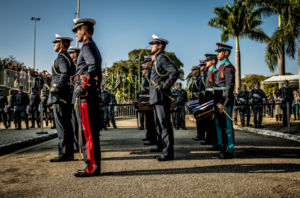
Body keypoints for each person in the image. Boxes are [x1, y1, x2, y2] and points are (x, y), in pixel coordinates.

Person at [73, 18, 102, 177]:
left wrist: (82, 85)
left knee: (88, 132)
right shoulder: (92, 46)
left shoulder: (86, 47)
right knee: (89, 132)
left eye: (77, 30)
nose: (76, 34)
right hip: (90, 94)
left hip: (86, 95)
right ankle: (91, 165)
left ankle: (91, 167)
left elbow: (93, 67)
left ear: (84, 30)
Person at [149, 35, 179, 161]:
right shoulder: (157, 59)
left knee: (164, 124)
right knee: (159, 124)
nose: (151, 46)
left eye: (154, 44)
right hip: (156, 96)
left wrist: (166, 85)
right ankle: (164, 149)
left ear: (160, 46)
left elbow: (175, 72)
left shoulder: (162, 59)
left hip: (161, 96)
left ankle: (168, 152)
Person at [48, 34, 76, 162]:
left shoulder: (61, 58)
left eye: (56, 42)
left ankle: (65, 153)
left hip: (60, 96)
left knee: (62, 126)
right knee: (67, 125)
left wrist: (57, 88)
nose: (54, 44)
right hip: (66, 95)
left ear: (61, 44)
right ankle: (68, 152)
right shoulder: (68, 58)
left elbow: (64, 74)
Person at [214, 43, 236, 159]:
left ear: (226, 53)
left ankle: (229, 149)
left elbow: (229, 86)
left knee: (227, 126)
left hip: (224, 100)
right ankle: (224, 147)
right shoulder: (221, 67)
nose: (217, 53)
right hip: (219, 99)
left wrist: (225, 102)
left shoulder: (228, 67)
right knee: (222, 126)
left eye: (220, 51)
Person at [202, 54, 220, 151]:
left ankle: (217, 143)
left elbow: (215, 89)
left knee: (215, 122)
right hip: (208, 99)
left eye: (208, 60)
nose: (206, 62)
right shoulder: (210, 72)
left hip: (212, 100)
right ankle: (214, 142)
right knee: (210, 122)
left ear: (213, 61)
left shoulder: (215, 72)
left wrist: (214, 103)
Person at [142, 56, 160, 147]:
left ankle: (152, 138)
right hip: (147, 97)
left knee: (151, 121)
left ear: (150, 62)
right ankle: (150, 137)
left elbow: (150, 87)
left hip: (149, 97)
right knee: (149, 120)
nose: (145, 64)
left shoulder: (151, 72)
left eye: (146, 62)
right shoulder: (149, 72)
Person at [190, 65, 203, 140]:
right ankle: (199, 134)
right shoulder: (196, 79)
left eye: (194, 70)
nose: (192, 71)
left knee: (199, 118)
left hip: (198, 101)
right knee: (198, 118)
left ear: (198, 70)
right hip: (196, 100)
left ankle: (200, 135)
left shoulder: (200, 79)